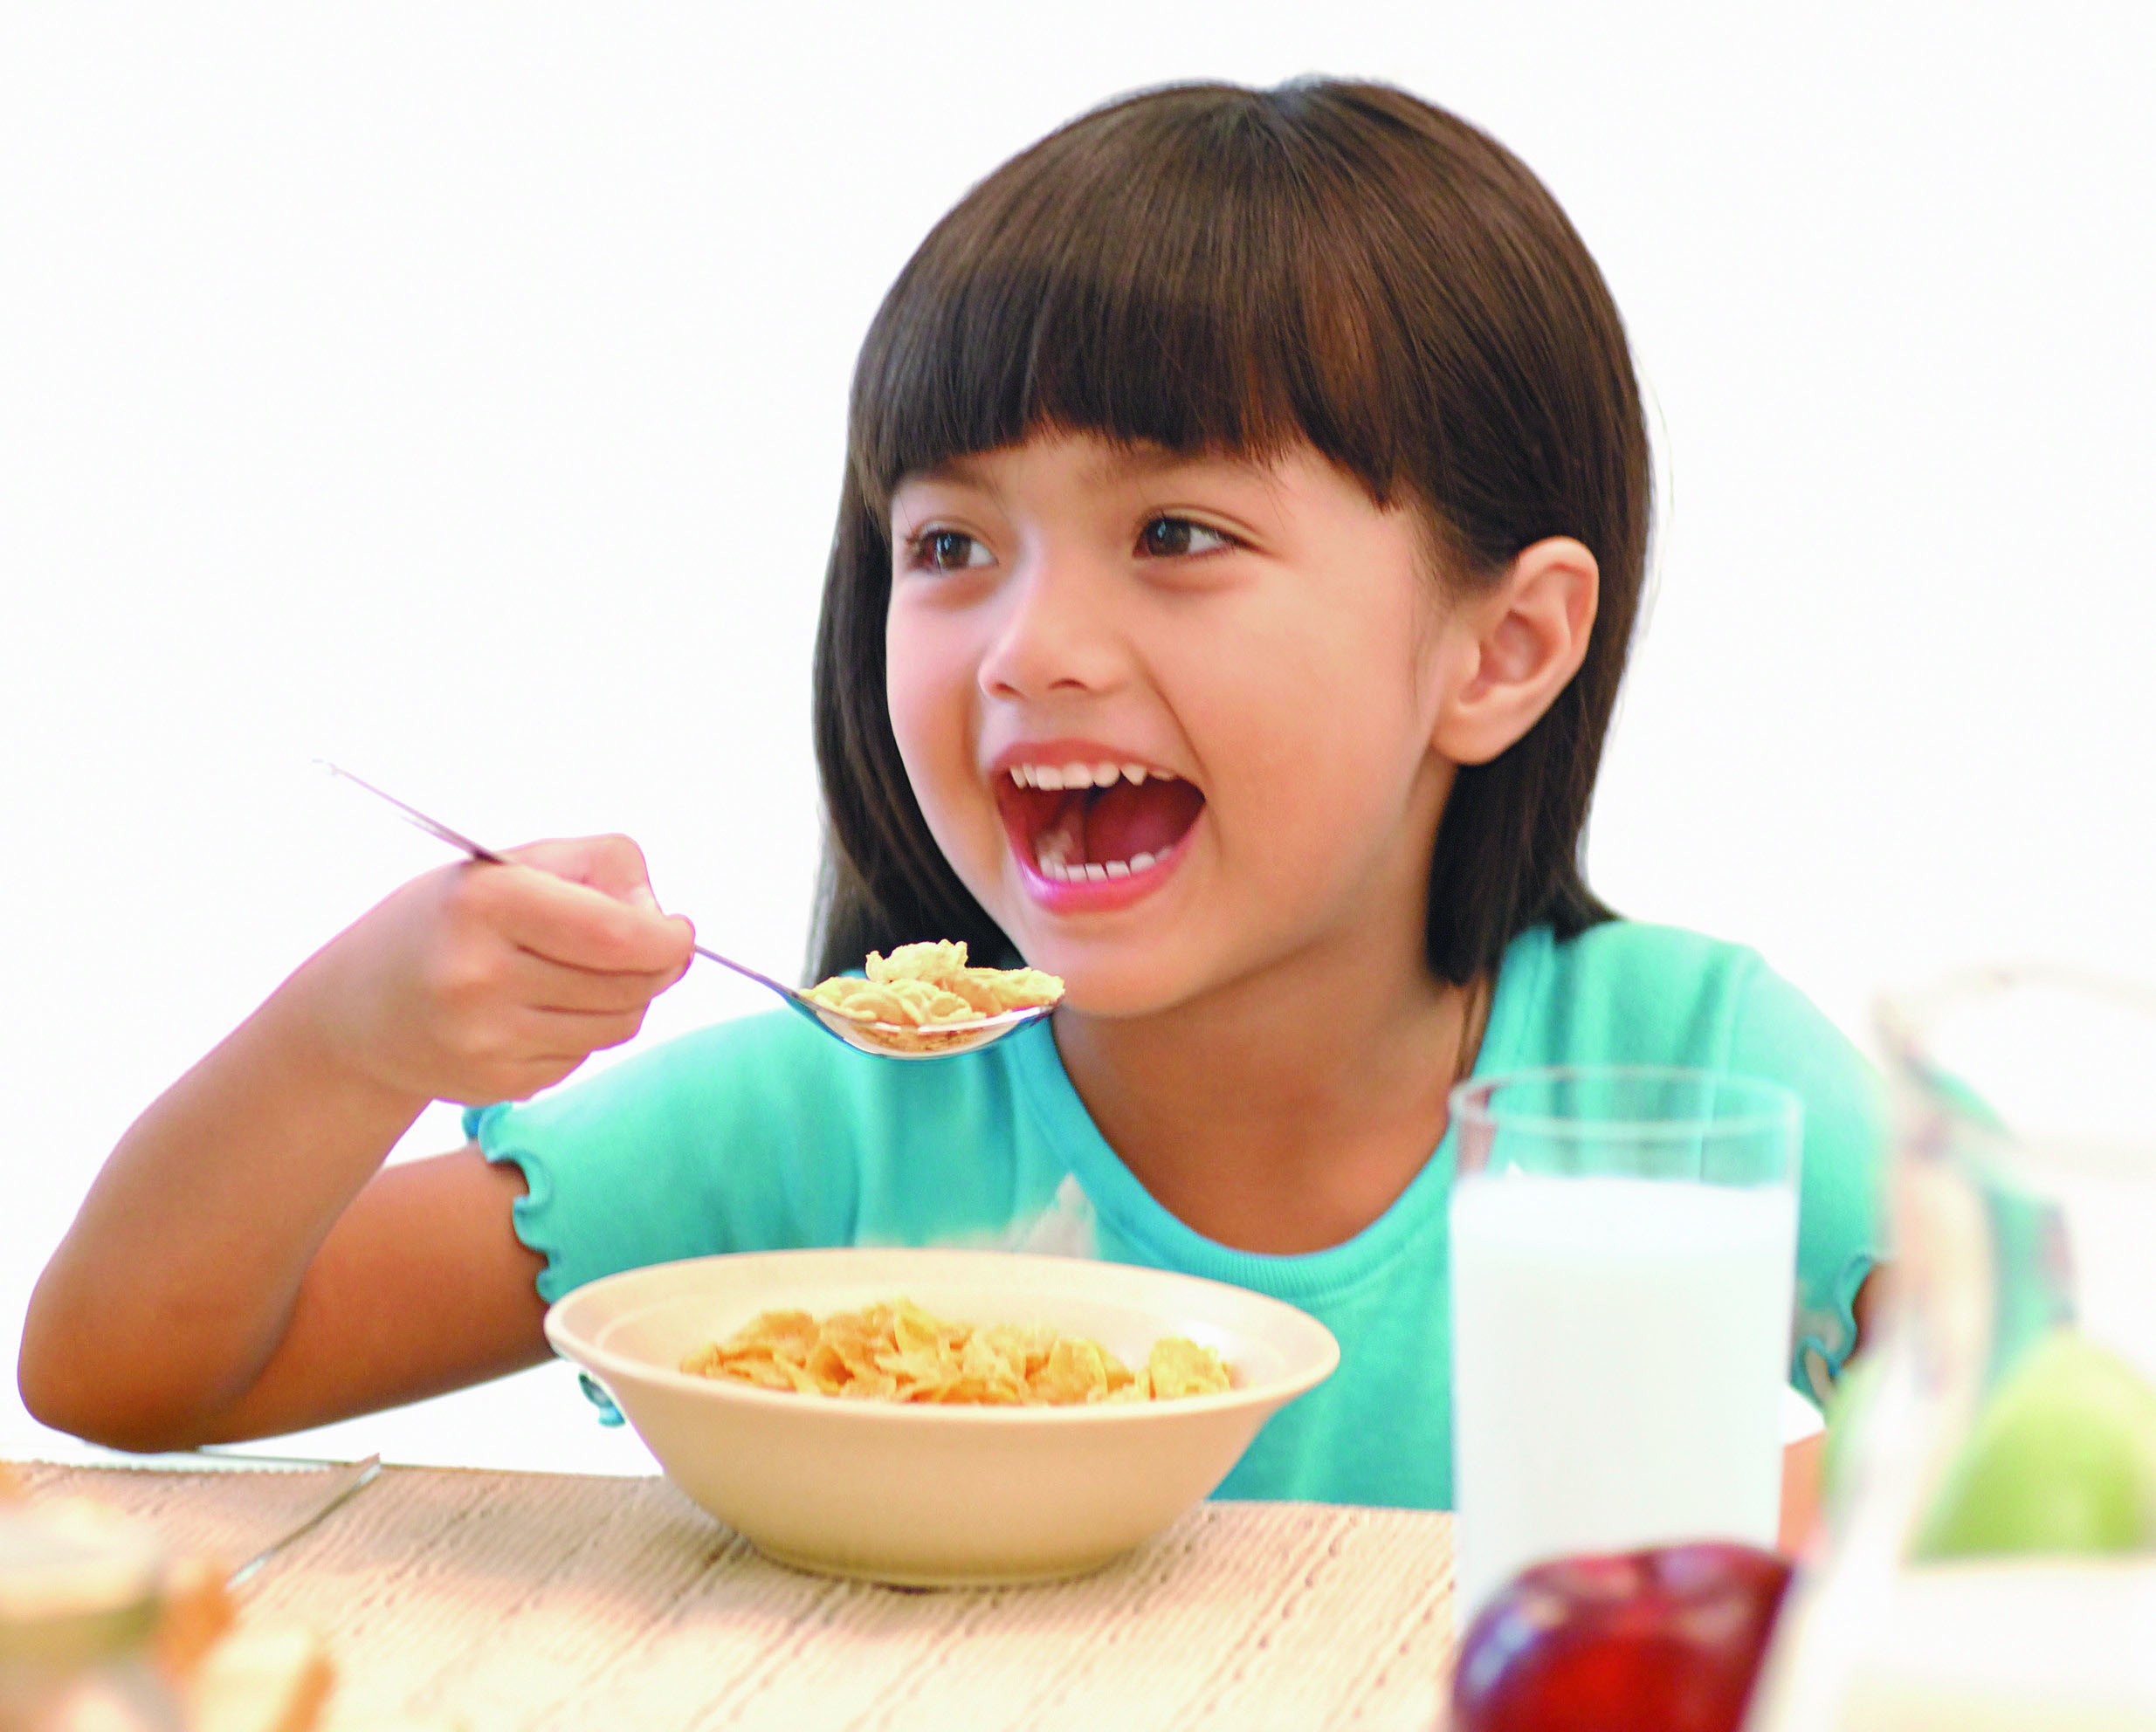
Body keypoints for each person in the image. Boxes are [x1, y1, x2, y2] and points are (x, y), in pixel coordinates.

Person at [19, 79, 1881, 1509]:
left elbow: (2048, 1434)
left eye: (1175, 530)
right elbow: (131, 1369)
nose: (1025, 646)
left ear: (1499, 648)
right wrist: (364, 1029)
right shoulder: (839, 1116)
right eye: (947, 543)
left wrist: (1742, 1556)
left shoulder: (1682, 1088)